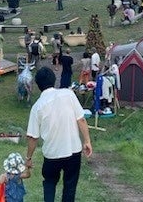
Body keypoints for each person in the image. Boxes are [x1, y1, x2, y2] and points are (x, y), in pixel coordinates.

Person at [26, 67, 93, 202]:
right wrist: (87, 141)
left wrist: (28, 157)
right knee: (70, 186)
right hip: (73, 150)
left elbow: (33, 137)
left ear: (38, 85)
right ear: (54, 79)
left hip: (52, 153)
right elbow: (81, 119)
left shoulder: (37, 107)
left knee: (50, 182)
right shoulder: (68, 94)